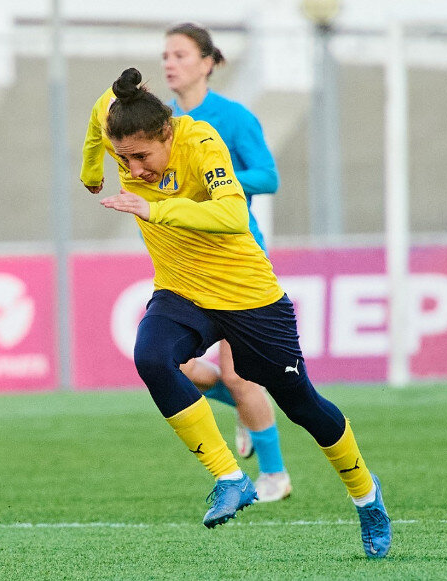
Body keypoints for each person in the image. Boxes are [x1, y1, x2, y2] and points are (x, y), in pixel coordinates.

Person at [88, 67, 390, 558]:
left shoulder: (202, 141)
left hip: (248, 295)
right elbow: (98, 114)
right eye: (123, 158)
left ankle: (366, 496)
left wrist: (154, 210)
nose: (134, 169)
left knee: (301, 405)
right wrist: (90, 167)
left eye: (142, 157)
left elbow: (231, 215)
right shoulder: (120, 124)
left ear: (166, 133)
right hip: (182, 291)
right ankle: (230, 477)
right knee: (152, 356)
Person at [80, 24, 292, 505]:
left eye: (180, 54)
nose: (169, 63)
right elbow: (99, 123)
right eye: (165, 55)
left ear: (208, 63)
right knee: (178, 366)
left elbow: (268, 176)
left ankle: (274, 474)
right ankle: (243, 406)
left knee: (238, 373)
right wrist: (92, 169)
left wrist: (213, 179)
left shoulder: (230, 118)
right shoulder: (153, 123)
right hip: (178, 261)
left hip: (232, 258)